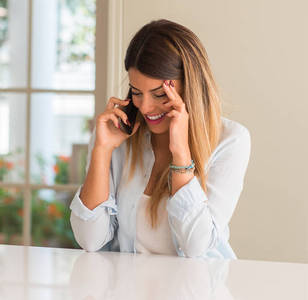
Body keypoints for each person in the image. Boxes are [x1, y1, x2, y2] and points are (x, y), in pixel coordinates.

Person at [69, 19, 251, 258]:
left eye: (159, 94)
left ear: (190, 86)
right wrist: (102, 151)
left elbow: (197, 247)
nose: (145, 107)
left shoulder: (230, 140)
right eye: (136, 92)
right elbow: (90, 240)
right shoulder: (116, 137)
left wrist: (181, 152)